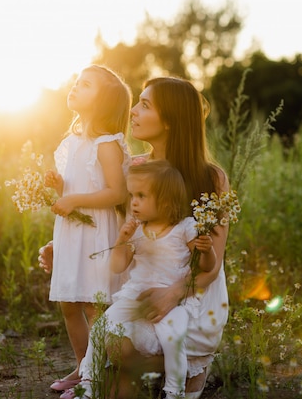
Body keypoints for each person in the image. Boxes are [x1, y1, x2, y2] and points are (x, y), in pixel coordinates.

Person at [39, 76, 229, 399]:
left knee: (158, 342)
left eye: (145, 105)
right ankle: (147, 369)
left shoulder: (211, 177)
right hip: (145, 283)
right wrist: (64, 247)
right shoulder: (136, 168)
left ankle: (191, 365)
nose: (134, 112)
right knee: (113, 351)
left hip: (193, 293)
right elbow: (118, 230)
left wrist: (173, 294)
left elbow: (214, 263)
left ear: (170, 121)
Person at [74, 160, 216, 399]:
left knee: (174, 340)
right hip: (134, 296)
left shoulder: (185, 227)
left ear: (167, 201)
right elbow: (118, 266)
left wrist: (207, 250)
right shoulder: (138, 230)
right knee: (100, 327)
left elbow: (206, 267)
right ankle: (88, 380)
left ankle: (174, 390)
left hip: (173, 301)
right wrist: (122, 239)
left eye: (141, 195)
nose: (134, 202)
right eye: (131, 195)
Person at [44, 64, 132, 396]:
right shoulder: (72, 140)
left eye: (85, 85)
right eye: (76, 82)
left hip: (97, 232)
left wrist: (74, 198)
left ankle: (97, 374)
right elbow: (77, 186)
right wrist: (59, 187)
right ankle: (82, 365)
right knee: (69, 302)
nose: (75, 87)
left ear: (103, 101)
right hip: (72, 231)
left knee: (95, 305)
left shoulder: (107, 143)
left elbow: (116, 192)